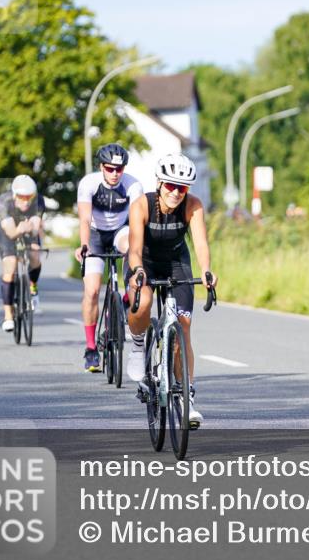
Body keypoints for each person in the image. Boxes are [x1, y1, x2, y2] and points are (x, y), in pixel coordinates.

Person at [125, 154, 216, 428]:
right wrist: (139, 271)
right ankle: (139, 345)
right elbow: (135, 249)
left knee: (183, 327)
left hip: (177, 262)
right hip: (146, 262)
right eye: (170, 186)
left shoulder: (193, 206)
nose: (176, 193)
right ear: (159, 183)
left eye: (183, 188)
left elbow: (200, 244)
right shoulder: (141, 205)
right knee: (143, 301)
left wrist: (207, 270)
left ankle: (187, 399)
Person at [73, 143, 144, 372]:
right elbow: (84, 219)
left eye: (119, 169)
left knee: (130, 246)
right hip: (94, 234)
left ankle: (124, 299)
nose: (115, 173)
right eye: (110, 168)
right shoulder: (89, 184)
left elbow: (136, 223)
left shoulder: (133, 186)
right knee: (92, 290)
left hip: (120, 231)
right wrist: (84, 245)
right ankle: (91, 347)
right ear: (101, 167)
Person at [0, 175, 45, 332]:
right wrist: (20, 229)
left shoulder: (38, 200)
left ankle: (33, 288)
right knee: (10, 265)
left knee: (35, 253)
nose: (26, 201)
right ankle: (8, 315)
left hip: (27, 227)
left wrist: (31, 228)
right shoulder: (3, 202)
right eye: (22, 197)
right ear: (15, 195)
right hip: (7, 230)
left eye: (29, 197)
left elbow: (36, 227)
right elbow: (11, 233)